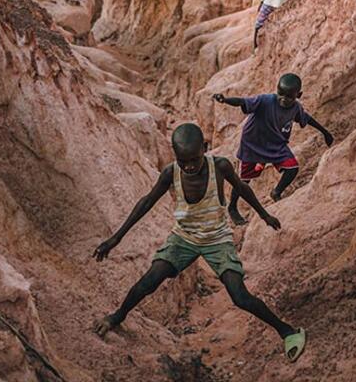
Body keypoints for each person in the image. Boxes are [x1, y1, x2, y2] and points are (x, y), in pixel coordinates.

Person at [93, 123, 307, 362]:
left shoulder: (220, 166)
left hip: (217, 239)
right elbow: (147, 202)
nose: (189, 166)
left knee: (240, 296)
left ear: (204, 149)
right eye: (183, 161)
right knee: (149, 280)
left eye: (194, 160)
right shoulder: (171, 173)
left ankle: (288, 331)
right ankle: (117, 316)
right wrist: (116, 238)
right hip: (184, 237)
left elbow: (242, 188)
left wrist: (264, 215)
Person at [213, 73, 333, 225]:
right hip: (254, 144)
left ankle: (276, 192)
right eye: (280, 93)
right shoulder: (266, 100)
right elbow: (243, 101)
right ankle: (232, 207)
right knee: (243, 180)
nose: (283, 98)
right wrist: (225, 100)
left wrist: (325, 132)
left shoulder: (295, 108)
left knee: (292, 168)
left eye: (289, 96)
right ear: (276, 90)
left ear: (298, 95)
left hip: (276, 145)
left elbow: (306, 118)